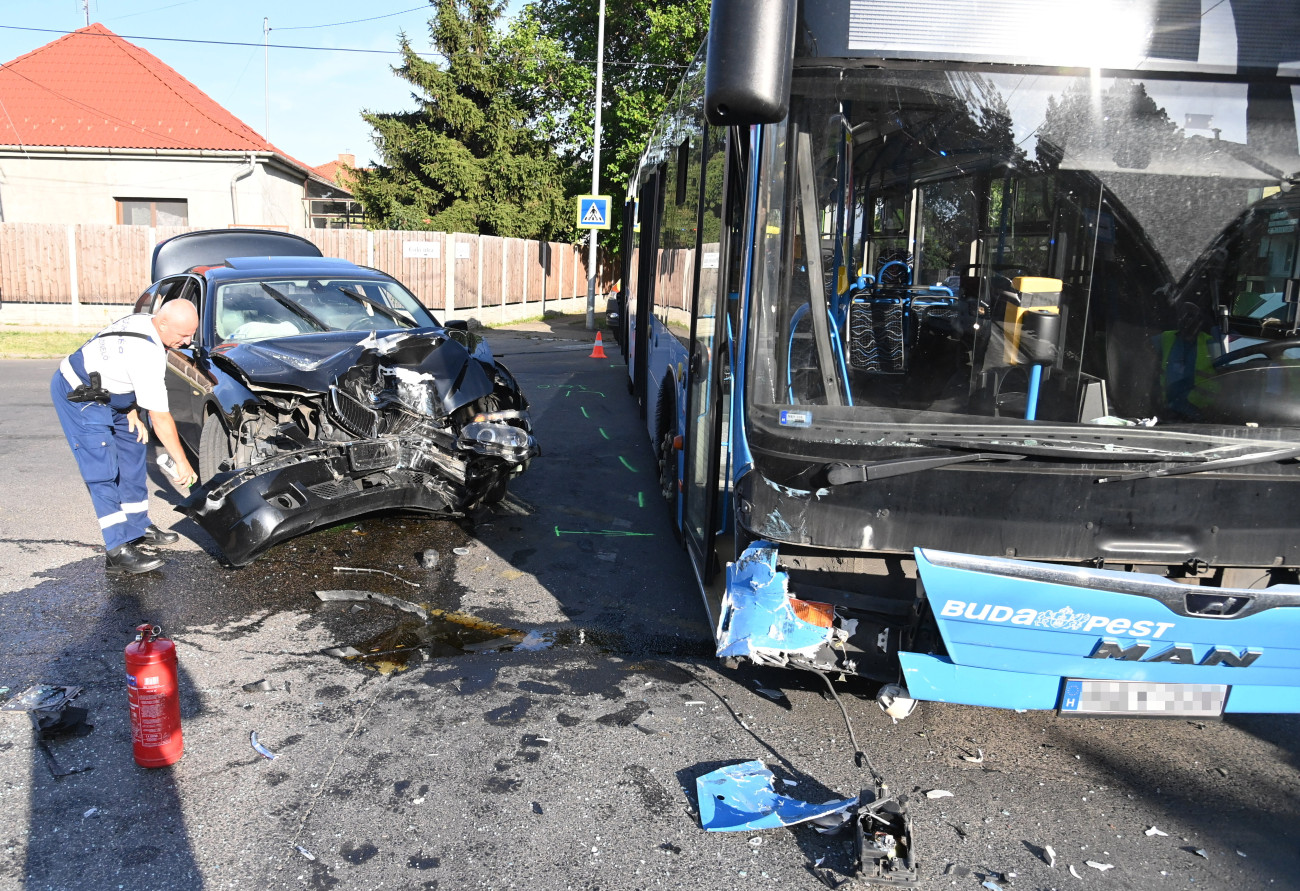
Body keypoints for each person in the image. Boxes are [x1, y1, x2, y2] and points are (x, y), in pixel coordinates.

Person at [50, 301, 200, 575]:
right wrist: (182, 462)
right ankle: (117, 550)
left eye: (191, 334)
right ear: (162, 323)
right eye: (182, 335)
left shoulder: (147, 322)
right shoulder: (146, 353)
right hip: (81, 394)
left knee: (134, 447)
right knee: (102, 467)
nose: (188, 342)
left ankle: (137, 526)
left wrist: (130, 407)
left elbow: (116, 364)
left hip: (112, 394)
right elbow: (160, 417)